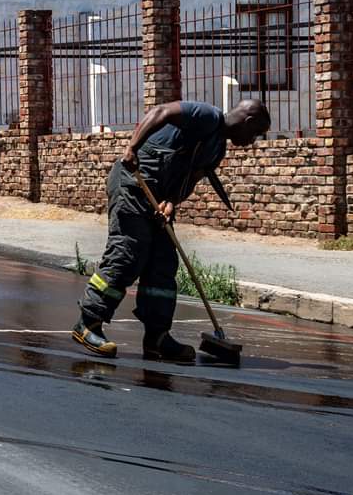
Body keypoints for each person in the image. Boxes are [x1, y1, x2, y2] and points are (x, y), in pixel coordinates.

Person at [73, 99, 270, 362]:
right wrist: (132, 148)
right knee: (128, 253)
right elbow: (160, 112)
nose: (252, 141)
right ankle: (88, 323)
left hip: (157, 199)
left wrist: (171, 202)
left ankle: (157, 337)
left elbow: (191, 177)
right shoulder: (206, 115)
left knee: (163, 263)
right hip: (133, 184)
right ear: (248, 122)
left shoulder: (217, 149)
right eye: (255, 134)